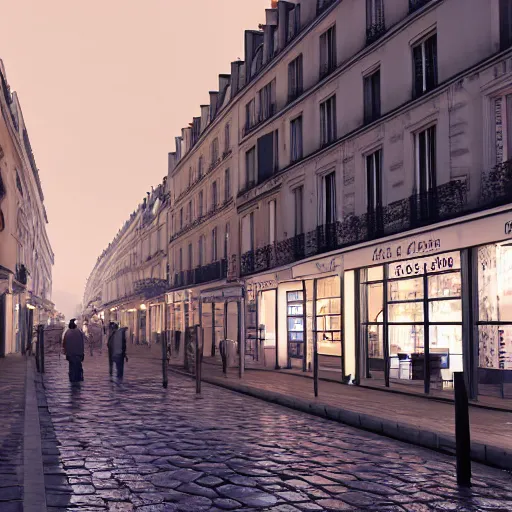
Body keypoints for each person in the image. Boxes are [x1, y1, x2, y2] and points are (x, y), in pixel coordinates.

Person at [62, 319, 85, 384]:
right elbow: (82, 342)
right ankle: (79, 377)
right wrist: (82, 352)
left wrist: (65, 351)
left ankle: (72, 378)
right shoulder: (79, 331)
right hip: (78, 353)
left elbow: (64, 343)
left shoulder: (67, 332)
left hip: (70, 353)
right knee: (78, 365)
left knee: (72, 366)